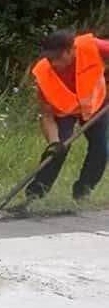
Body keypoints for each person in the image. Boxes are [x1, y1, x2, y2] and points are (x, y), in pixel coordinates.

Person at [27, 29, 109, 201]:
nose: (53, 62)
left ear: (71, 50)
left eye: (58, 57)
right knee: (59, 149)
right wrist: (54, 142)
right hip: (65, 110)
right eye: (50, 58)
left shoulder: (92, 47)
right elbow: (47, 116)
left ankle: (83, 192)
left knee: (101, 148)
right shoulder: (43, 74)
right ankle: (35, 194)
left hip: (95, 105)